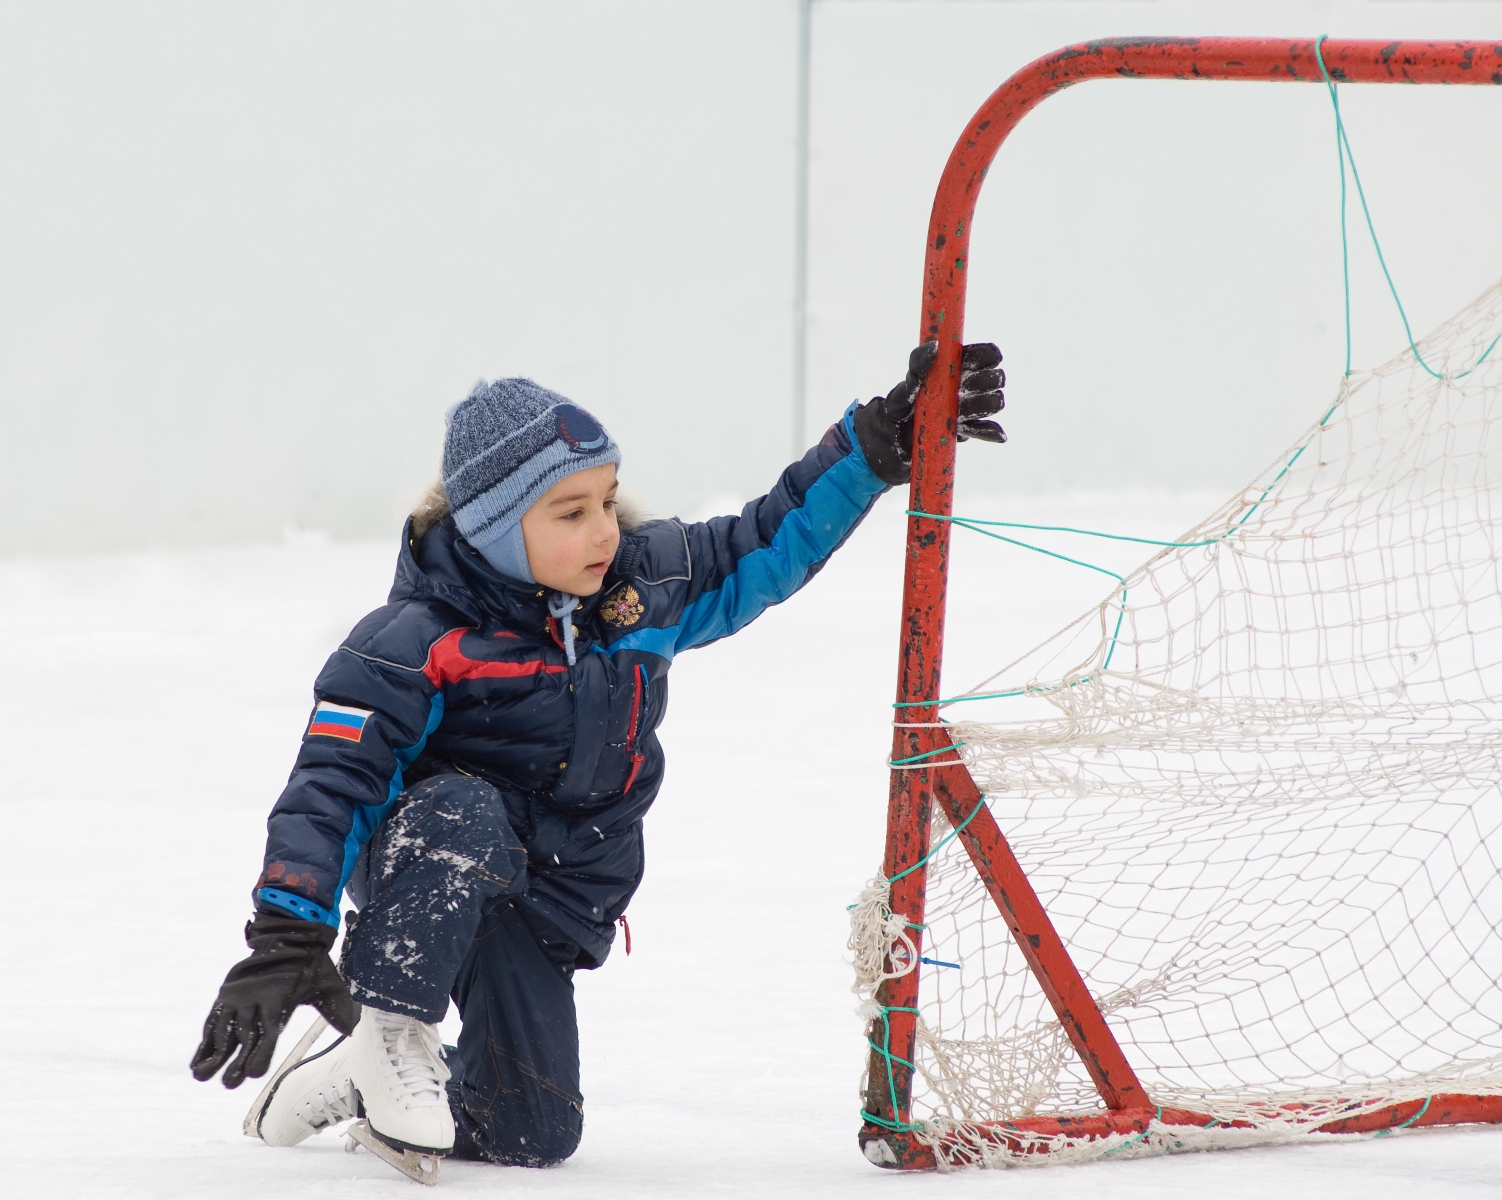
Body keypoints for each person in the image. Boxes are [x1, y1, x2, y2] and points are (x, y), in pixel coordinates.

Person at [188, 340, 1005, 1177]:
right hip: (430, 876)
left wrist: (868, 451)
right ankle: (390, 1028)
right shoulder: (413, 642)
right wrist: (287, 936)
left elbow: (764, 541)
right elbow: (331, 788)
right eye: (570, 513)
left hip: (549, 899)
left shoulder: (637, 592)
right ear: (495, 531)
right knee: (462, 809)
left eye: (607, 501)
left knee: (531, 1135)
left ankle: (355, 1077)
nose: (605, 530)